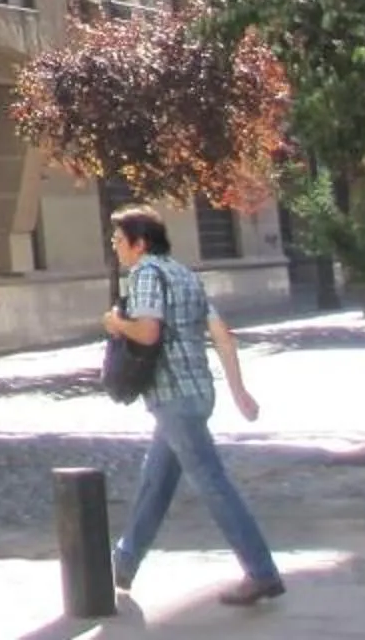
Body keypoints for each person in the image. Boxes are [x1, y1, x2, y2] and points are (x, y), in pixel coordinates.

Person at [100, 204, 283, 607]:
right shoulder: (184, 274)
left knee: (213, 483)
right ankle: (124, 561)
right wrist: (238, 392)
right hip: (198, 392)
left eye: (118, 240)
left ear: (140, 243)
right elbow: (222, 335)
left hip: (173, 395)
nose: (115, 247)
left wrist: (116, 324)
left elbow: (147, 332)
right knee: (156, 481)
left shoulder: (146, 273)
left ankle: (261, 571)